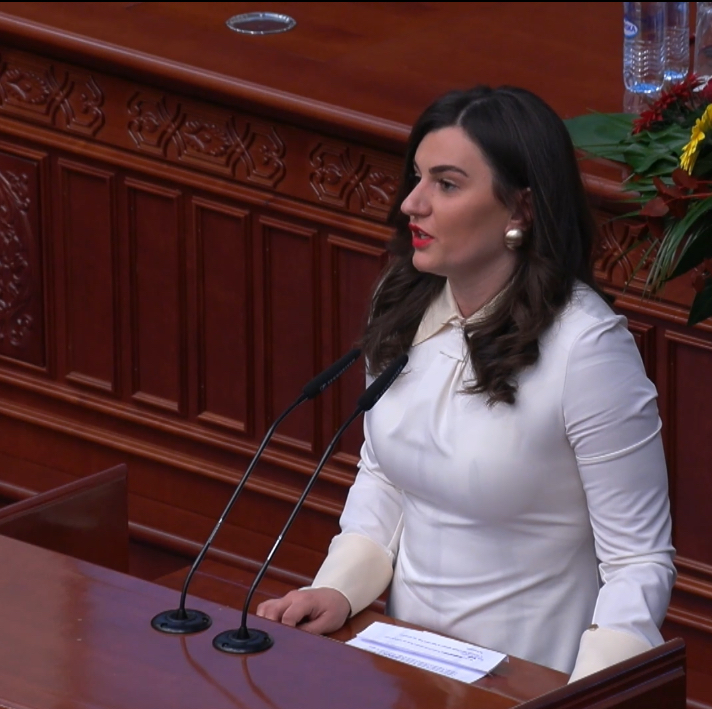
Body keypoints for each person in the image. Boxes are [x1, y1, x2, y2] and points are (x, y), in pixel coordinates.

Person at [255, 86, 676, 681]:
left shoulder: (587, 350)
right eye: (417, 177)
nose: (411, 203)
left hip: (531, 681)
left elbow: (638, 561)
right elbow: (386, 474)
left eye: (446, 185)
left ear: (521, 209)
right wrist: (339, 588)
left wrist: (584, 694)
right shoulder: (402, 303)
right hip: (404, 671)